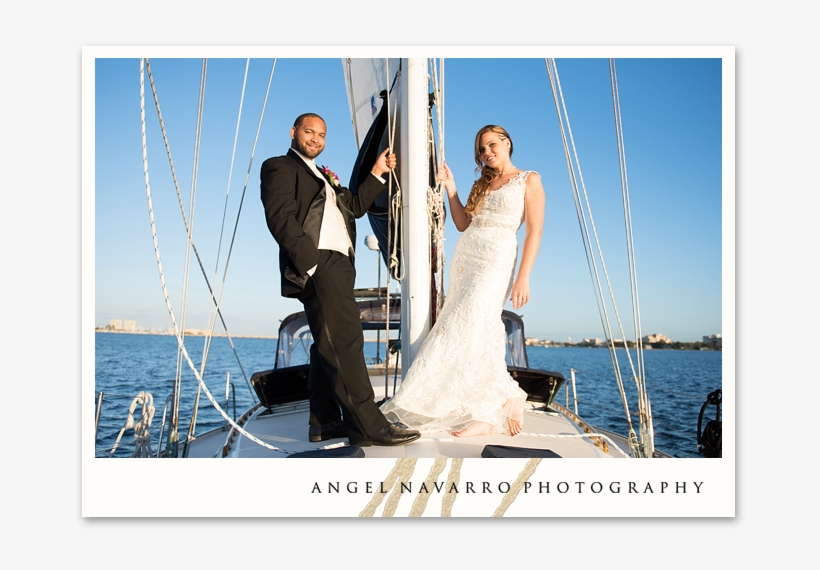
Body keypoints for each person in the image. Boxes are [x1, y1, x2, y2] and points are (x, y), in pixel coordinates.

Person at [260, 113, 421, 447]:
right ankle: (367, 426)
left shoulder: (325, 176)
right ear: (294, 132)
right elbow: (280, 218)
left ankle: (325, 422)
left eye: (322, 134)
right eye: (309, 132)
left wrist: (377, 171)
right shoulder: (279, 166)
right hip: (319, 263)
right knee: (347, 341)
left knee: (325, 345)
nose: (316, 139)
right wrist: (312, 263)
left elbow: (356, 206)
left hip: (340, 264)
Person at [380, 124, 546, 437]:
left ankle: (495, 404)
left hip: (497, 256)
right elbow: (462, 224)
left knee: (470, 321)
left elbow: (534, 231)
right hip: (466, 258)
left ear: (507, 144)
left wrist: (523, 277)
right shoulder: (480, 184)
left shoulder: (529, 179)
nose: (487, 153)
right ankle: (494, 405)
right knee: (469, 325)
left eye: (492, 145)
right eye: (481, 149)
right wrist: (451, 187)